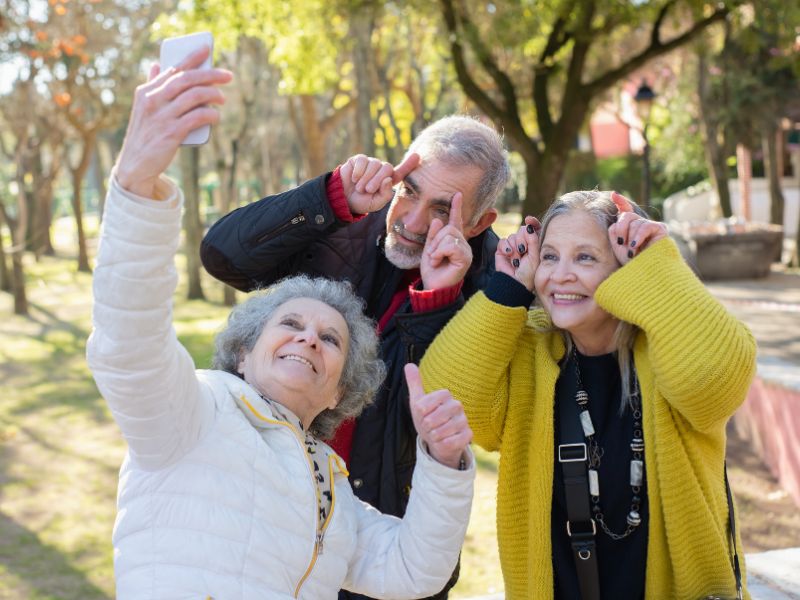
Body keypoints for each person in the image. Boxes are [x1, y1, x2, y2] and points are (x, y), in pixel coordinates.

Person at [87, 45, 476, 599]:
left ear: (343, 389)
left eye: (330, 339)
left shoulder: (333, 491)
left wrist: (444, 462)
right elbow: (127, 343)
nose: (307, 339)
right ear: (244, 352)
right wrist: (135, 182)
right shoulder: (194, 414)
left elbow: (414, 570)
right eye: (290, 323)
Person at [201, 96, 509, 598]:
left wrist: (435, 301)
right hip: (267, 507)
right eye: (409, 190)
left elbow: (429, 412)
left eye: (440, 210)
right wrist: (328, 198)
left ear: (477, 222)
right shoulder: (349, 219)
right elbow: (222, 257)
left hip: (381, 541)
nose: (410, 220)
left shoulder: (497, 283)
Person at [419, 190, 757, 599]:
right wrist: (507, 288)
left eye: (585, 257)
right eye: (550, 257)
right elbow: (448, 400)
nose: (560, 275)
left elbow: (714, 382)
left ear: (625, 268)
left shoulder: (668, 348)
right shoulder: (530, 350)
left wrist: (657, 265)